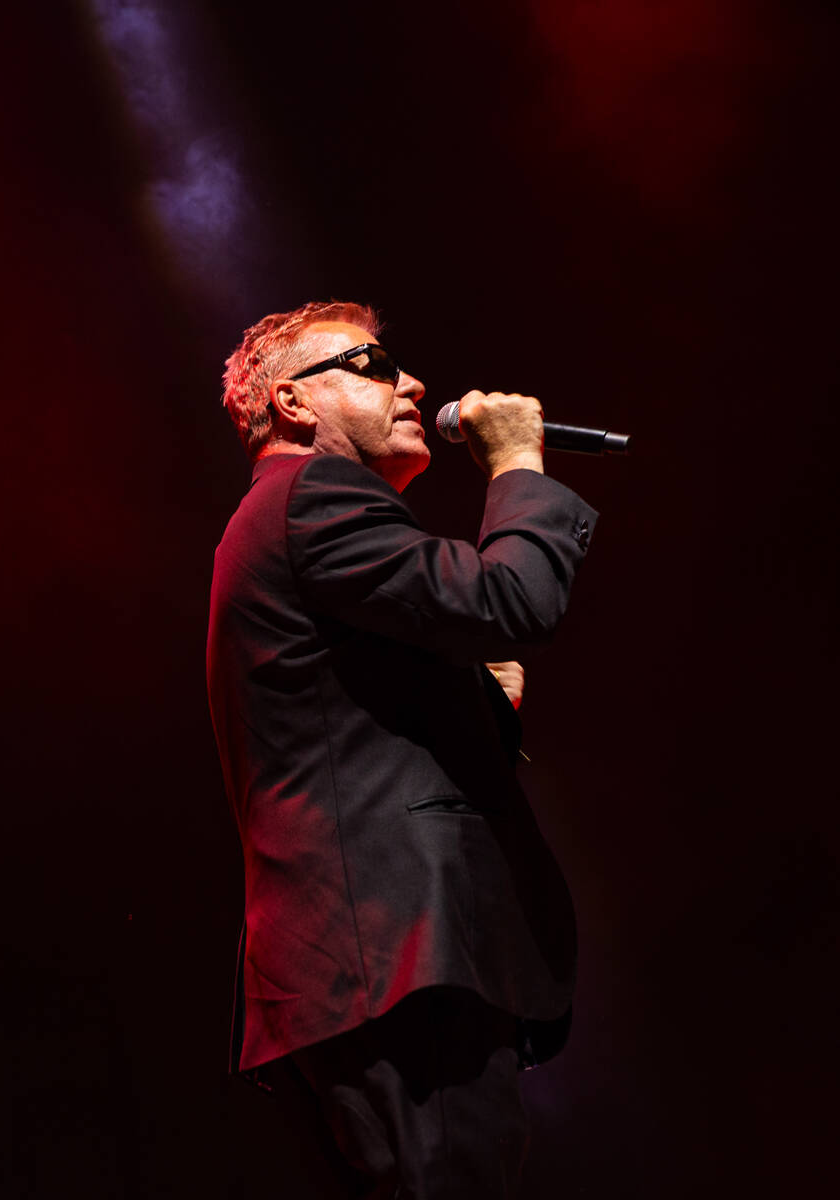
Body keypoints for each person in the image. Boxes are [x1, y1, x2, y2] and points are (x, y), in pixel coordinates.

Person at [207, 300, 597, 1198]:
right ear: (296, 406)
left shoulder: (277, 523)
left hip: (342, 970)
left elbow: (341, 738)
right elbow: (512, 601)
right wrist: (518, 463)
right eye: (373, 363)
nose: (413, 383)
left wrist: (479, 699)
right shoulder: (314, 496)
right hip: (396, 960)